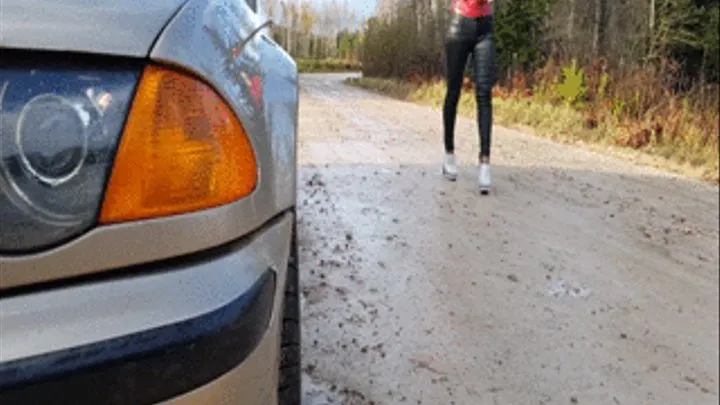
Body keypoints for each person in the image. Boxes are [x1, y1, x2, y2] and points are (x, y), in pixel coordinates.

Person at [441, 0, 496, 194]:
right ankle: (449, 153)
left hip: (485, 28)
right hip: (460, 23)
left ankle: (485, 162)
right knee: (453, 90)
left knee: (484, 92)